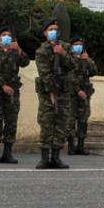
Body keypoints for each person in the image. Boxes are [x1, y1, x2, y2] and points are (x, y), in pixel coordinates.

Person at [0, 25, 28, 164]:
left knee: (11, 122)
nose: (6, 37)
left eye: (9, 35)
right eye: (3, 35)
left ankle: (8, 153)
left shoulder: (15, 52)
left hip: (13, 92)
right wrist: (3, 85)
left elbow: (25, 62)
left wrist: (19, 49)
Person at [35, 18, 74, 170]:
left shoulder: (66, 47)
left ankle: (56, 157)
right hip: (47, 93)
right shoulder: (41, 50)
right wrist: (52, 92)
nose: (53, 32)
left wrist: (63, 53)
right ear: (45, 32)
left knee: (61, 123)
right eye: (50, 29)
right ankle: (45, 158)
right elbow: (44, 73)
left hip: (63, 92)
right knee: (46, 123)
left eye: (55, 29)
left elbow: (72, 65)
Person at [66, 35, 99, 155]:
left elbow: (94, 71)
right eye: (76, 45)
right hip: (72, 95)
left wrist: (87, 60)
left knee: (83, 120)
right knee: (70, 120)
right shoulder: (68, 59)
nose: (78, 46)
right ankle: (70, 145)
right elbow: (69, 77)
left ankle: (81, 145)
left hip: (85, 95)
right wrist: (77, 90)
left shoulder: (86, 60)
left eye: (80, 44)